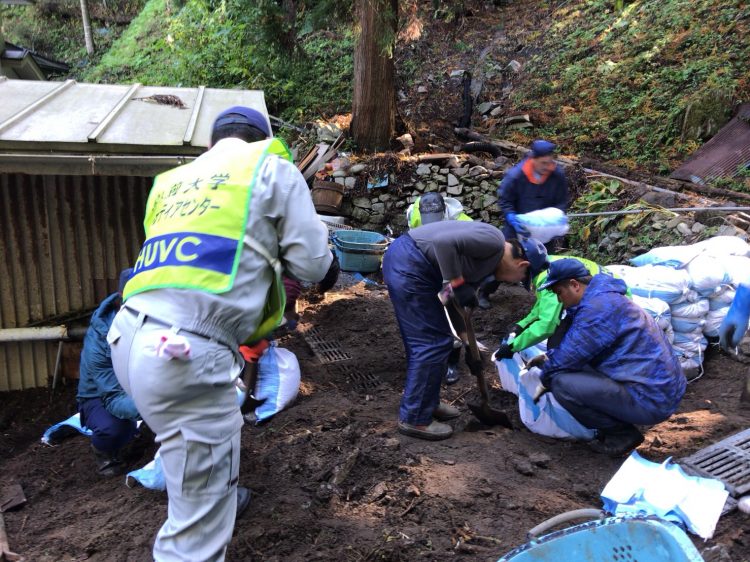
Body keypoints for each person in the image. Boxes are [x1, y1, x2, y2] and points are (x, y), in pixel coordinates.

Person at [109, 106, 333, 561]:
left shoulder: (172, 182)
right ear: (260, 140)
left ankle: (215, 497)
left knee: (183, 441)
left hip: (128, 337)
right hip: (184, 350)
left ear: (212, 145)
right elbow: (312, 264)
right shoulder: (270, 168)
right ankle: (205, 512)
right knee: (194, 541)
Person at [382, 220, 548, 441]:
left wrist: (466, 339)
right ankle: (415, 418)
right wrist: (459, 284)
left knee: (437, 340)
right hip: (410, 262)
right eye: (521, 281)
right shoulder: (493, 241)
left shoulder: (485, 268)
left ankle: (426, 402)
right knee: (431, 343)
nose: (515, 283)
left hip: (418, 270)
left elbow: (448, 297)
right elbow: (443, 243)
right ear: (522, 266)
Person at [533, 259, 686, 456]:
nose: (559, 299)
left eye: (559, 292)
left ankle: (622, 435)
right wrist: (551, 358)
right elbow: (576, 348)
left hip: (652, 398)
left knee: (560, 382)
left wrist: (545, 377)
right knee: (567, 369)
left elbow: (568, 357)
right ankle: (620, 420)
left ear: (574, 285)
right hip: (662, 389)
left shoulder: (597, 310)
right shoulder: (604, 298)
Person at [494, 255, 624, 359]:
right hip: (594, 291)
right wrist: (522, 325)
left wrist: (513, 347)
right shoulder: (548, 264)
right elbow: (544, 305)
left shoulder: (594, 310)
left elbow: (547, 324)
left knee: (559, 345)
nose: (558, 299)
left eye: (558, 293)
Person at [77, 268, 140, 477]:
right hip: (101, 394)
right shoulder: (100, 336)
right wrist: (153, 407)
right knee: (116, 430)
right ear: (122, 299)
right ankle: (103, 450)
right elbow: (112, 395)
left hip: (136, 384)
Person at [406, 192, 472, 385]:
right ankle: (430, 354)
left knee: (453, 316)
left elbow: (469, 259)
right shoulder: (414, 215)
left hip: (454, 272)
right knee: (426, 312)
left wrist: (454, 285)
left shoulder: (463, 224)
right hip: (428, 267)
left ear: (444, 213)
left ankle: (452, 362)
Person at [405, 192, 472, 228]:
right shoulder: (414, 216)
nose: (431, 224)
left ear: (445, 209)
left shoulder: (461, 221)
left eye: (435, 217)